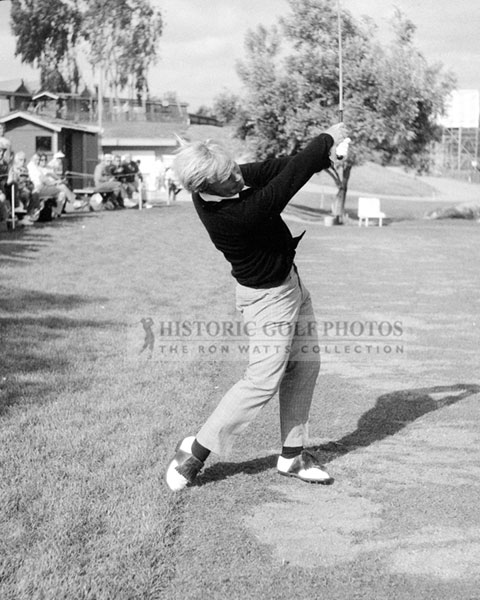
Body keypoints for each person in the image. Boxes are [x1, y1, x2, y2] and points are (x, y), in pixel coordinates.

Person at [165, 123, 348, 491]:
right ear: (205, 187)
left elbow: (276, 168)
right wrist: (327, 138)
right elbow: (286, 183)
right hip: (267, 302)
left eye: (235, 168)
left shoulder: (222, 179)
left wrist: (324, 157)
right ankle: (195, 452)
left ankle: (292, 455)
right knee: (262, 381)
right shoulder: (234, 215)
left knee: (305, 366)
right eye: (229, 177)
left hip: (291, 287)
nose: (238, 177)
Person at [8, 151, 42, 225]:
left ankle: (28, 215)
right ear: (15, 160)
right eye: (21, 160)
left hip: (25, 189)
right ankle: (22, 217)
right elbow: (14, 183)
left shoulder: (25, 169)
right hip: (16, 191)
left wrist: (31, 187)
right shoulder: (12, 169)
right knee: (26, 194)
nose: (23, 162)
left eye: (24, 160)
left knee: (35, 193)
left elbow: (29, 181)